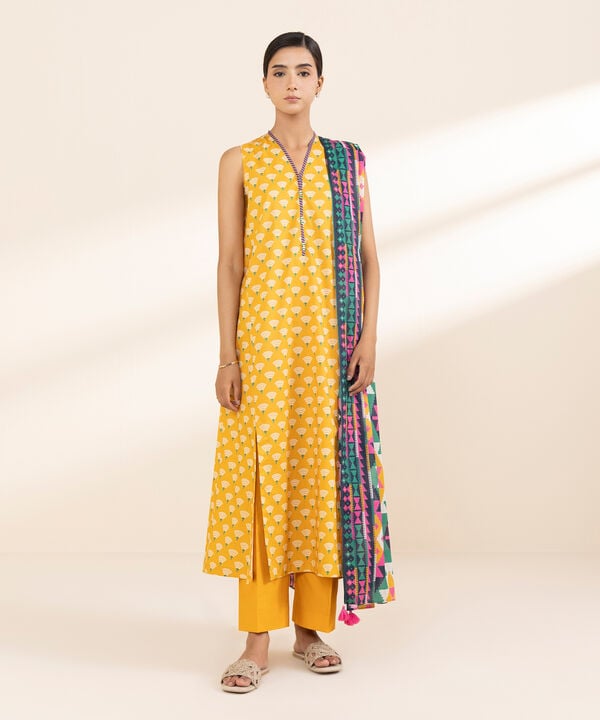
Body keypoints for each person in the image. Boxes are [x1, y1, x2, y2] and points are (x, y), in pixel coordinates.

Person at [203, 31, 395, 694]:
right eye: (279, 72)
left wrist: (368, 339)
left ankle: (311, 631)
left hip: (329, 350)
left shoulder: (347, 161)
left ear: (320, 83)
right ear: (264, 83)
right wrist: (227, 356)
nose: (291, 82)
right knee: (263, 482)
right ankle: (257, 641)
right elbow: (230, 263)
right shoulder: (240, 161)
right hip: (262, 349)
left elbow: (369, 258)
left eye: (303, 71)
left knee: (321, 478)